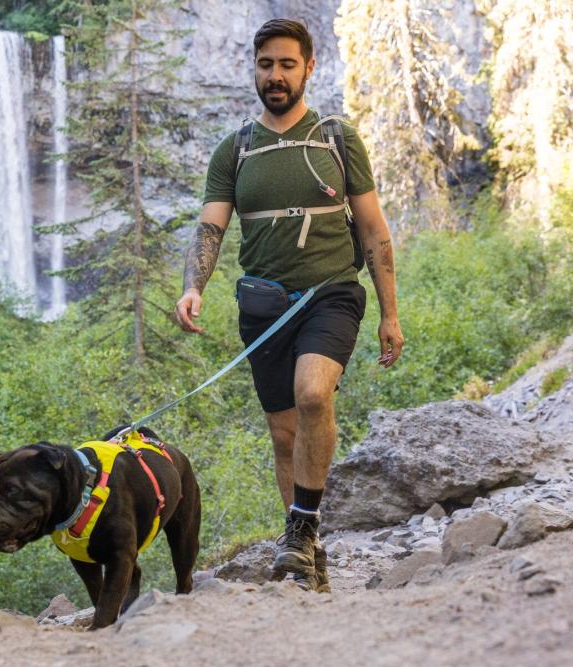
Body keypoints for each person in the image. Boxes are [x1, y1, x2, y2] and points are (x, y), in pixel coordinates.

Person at [174, 18, 405, 591]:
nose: (274, 76)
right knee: (283, 435)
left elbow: (374, 230)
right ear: (254, 69)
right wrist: (193, 286)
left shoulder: (337, 138)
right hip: (263, 306)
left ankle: (299, 533)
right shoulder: (236, 149)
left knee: (312, 393)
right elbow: (210, 229)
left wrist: (390, 313)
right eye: (265, 65)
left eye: (286, 64)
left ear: (308, 68)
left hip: (331, 293)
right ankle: (307, 545)